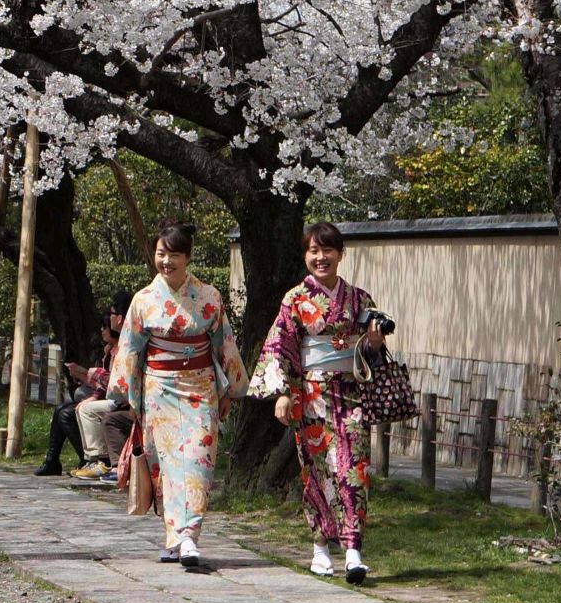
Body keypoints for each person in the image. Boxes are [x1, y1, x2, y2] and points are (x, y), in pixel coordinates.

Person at [248, 223, 386, 584]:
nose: (320, 257)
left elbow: (373, 353)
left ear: (340, 253)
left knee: (353, 469)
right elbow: (280, 347)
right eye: (313, 250)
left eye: (327, 250)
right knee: (317, 471)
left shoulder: (360, 299)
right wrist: (282, 392)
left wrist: (372, 342)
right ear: (305, 255)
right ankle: (321, 545)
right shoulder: (295, 299)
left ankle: (354, 550)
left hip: (350, 393)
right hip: (310, 395)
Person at [107, 221, 246, 571]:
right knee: (167, 464)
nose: (166, 261)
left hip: (200, 386)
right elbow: (130, 349)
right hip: (159, 388)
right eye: (161, 253)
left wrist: (231, 386)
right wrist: (125, 392)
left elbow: (224, 344)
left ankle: (189, 535)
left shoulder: (209, 297)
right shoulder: (143, 301)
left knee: (198, 460)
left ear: (188, 258)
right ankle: (174, 537)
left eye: (174, 255)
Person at [39, 290, 132, 479]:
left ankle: (98, 460)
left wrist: (89, 375)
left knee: (79, 410)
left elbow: (117, 380)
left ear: (120, 319)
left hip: (125, 400)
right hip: (117, 397)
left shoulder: (127, 343)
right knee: (65, 408)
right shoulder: (113, 349)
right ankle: (54, 460)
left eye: (111, 317)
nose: (102, 330)